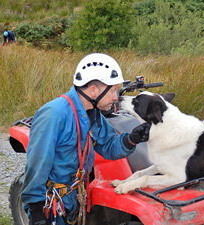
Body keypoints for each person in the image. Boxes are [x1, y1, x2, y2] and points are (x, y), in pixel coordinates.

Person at [21, 53, 151, 225]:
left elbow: (110, 146)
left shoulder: (92, 115)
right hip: (52, 206)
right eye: (112, 90)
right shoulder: (54, 114)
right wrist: (36, 211)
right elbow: (37, 165)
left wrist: (131, 139)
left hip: (76, 199)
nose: (115, 97)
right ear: (93, 90)